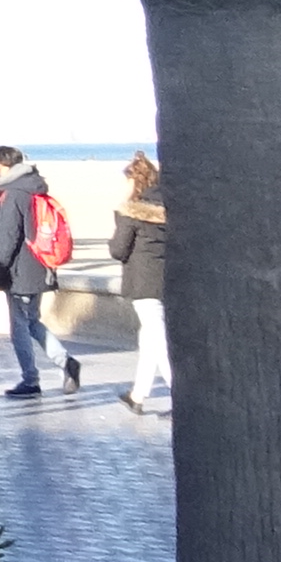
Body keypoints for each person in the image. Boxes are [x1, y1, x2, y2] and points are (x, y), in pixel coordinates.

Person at [0, 148, 77, 399]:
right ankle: (65, 362)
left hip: (19, 271)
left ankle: (31, 378)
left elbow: (8, 237)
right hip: (41, 266)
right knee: (32, 320)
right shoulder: (35, 187)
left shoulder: (13, 194)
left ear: (4, 165)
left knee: (20, 327)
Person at [110, 152, 171, 412]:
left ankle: (180, 396)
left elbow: (118, 249)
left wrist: (119, 213)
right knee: (149, 338)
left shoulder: (132, 213)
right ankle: (138, 394)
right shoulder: (169, 209)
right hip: (167, 279)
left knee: (157, 340)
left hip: (143, 282)